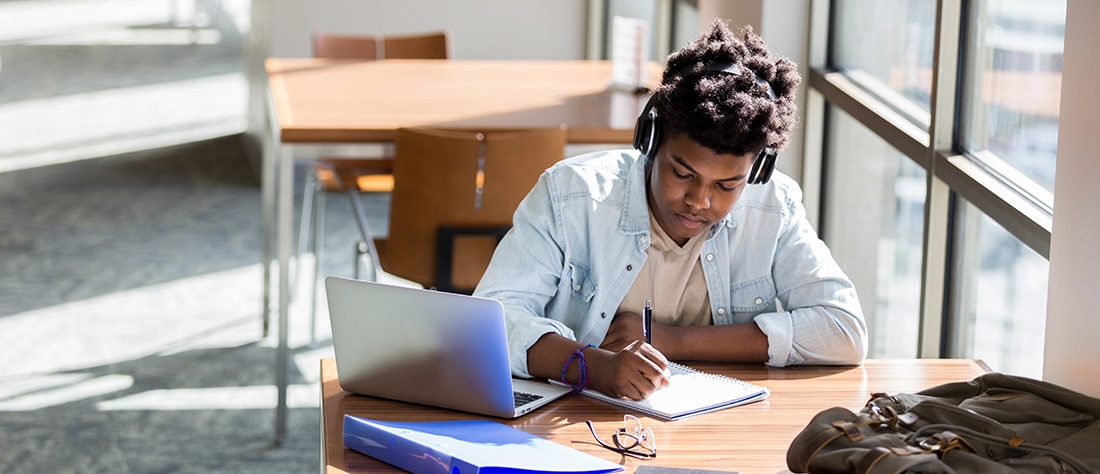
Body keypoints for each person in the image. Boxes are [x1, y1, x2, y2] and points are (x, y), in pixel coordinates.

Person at [473, 20, 867, 401]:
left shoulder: (772, 207)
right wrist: (595, 367)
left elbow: (843, 329)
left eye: (727, 185)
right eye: (682, 173)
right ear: (650, 140)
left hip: (713, 426)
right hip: (580, 421)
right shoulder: (570, 194)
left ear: (757, 171)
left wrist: (670, 339)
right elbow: (494, 322)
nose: (699, 200)